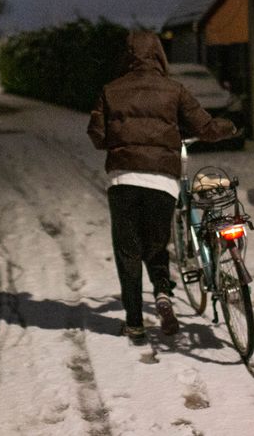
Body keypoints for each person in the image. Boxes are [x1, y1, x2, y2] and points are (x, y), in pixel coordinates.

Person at [87, 31, 237, 345]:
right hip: (162, 182)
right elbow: (205, 128)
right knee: (157, 246)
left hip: (123, 180)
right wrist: (228, 126)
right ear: (158, 55)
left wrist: (118, 135)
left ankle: (135, 325)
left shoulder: (111, 90)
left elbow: (98, 136)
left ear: (127, 56)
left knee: (128, 252)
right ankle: (164, 294)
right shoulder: (174, 90)